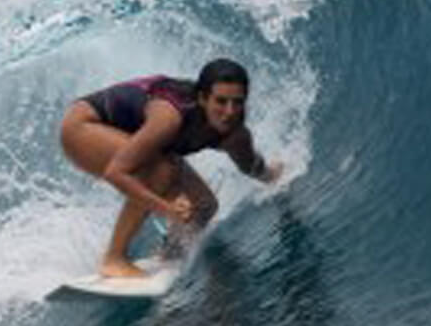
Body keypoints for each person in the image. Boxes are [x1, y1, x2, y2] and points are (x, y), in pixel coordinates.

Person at [59, 57, 284, 277]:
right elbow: (116, 173)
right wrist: (166, 208)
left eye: (238, 102)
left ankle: (168, 256)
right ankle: (114, 259)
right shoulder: (170, 117)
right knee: (161, 172)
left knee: (204, 207)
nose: (229, 112)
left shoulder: (236, 135)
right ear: (203, 98)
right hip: (83, 127)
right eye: (221, 101)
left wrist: (272, 176)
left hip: (134, 136)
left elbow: (251, 165)